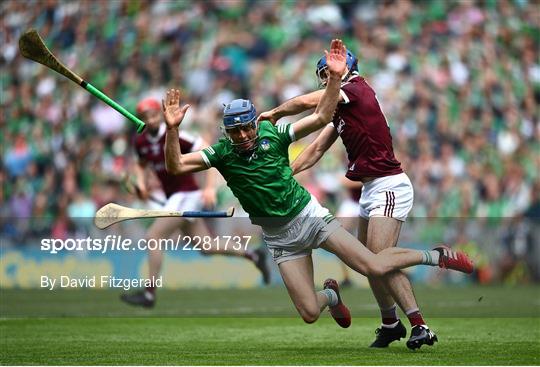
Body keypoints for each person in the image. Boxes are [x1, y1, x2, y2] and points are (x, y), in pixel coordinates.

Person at [161, 39, 474, 331]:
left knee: (374, 264)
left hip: (310, 216)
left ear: (255, 124)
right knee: (310, 312)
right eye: (235, 132)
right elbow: (175, 165)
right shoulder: (222, 154)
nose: (242, 136)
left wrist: (310, 94)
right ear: (227, 133)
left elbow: (321, 113)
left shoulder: (282, 130)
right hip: (278, 235)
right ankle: (334, 297)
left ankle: (436, 256)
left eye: (246, 129)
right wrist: (172, 131)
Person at [258, 47, 439, 349]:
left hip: (389, 185)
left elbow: (307, 102)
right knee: (367, 263)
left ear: (346, 70)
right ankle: (390, 324)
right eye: (324, 75)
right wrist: (284, 175)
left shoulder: (354, 89)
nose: (325, 80)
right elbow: (314, 151)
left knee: (378, 260)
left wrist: (275, 113)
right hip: (370, 190)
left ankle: (421, 322)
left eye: (328, 73)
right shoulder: (342, 108)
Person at [120, 97, 270, 308]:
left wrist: (209, 187)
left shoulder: (176, 134)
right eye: (145, 117)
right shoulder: (141, 142)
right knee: (206, 246)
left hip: (188, 194)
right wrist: (142, 185)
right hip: (173, 198)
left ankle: (149, 293)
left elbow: (207, 150)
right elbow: (140, 165)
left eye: (154, 115)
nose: (151, 120)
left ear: (161, 115)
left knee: (153, 235)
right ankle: (253, 255)